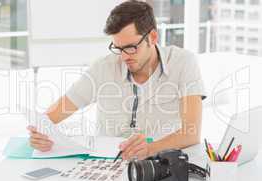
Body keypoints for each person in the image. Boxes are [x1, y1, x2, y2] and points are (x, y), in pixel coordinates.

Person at [27, 0, 206, 160]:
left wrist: (150, 149)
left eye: (130, 47)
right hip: (108, 165)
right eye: (118, 48)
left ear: (152, 37)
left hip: (161, 164)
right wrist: (40, 133)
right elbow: (57, 112)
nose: (124, 56)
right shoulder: (103, 68)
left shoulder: (183, 63)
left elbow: (191, 134)